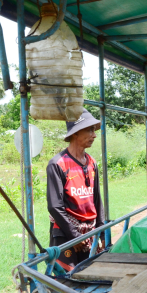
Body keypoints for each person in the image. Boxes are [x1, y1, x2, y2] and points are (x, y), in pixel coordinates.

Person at [46, 109, 105, 272]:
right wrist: (75, 236)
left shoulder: (92, 163)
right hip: (66, 234)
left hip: (89, 233)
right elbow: (54, 206)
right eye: (89, 130)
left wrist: (101, 230)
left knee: (91, 276)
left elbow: (97, 200)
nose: (94, 135)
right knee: (66, 282)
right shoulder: (58, 164)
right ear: (75, 133)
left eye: (94, 130)